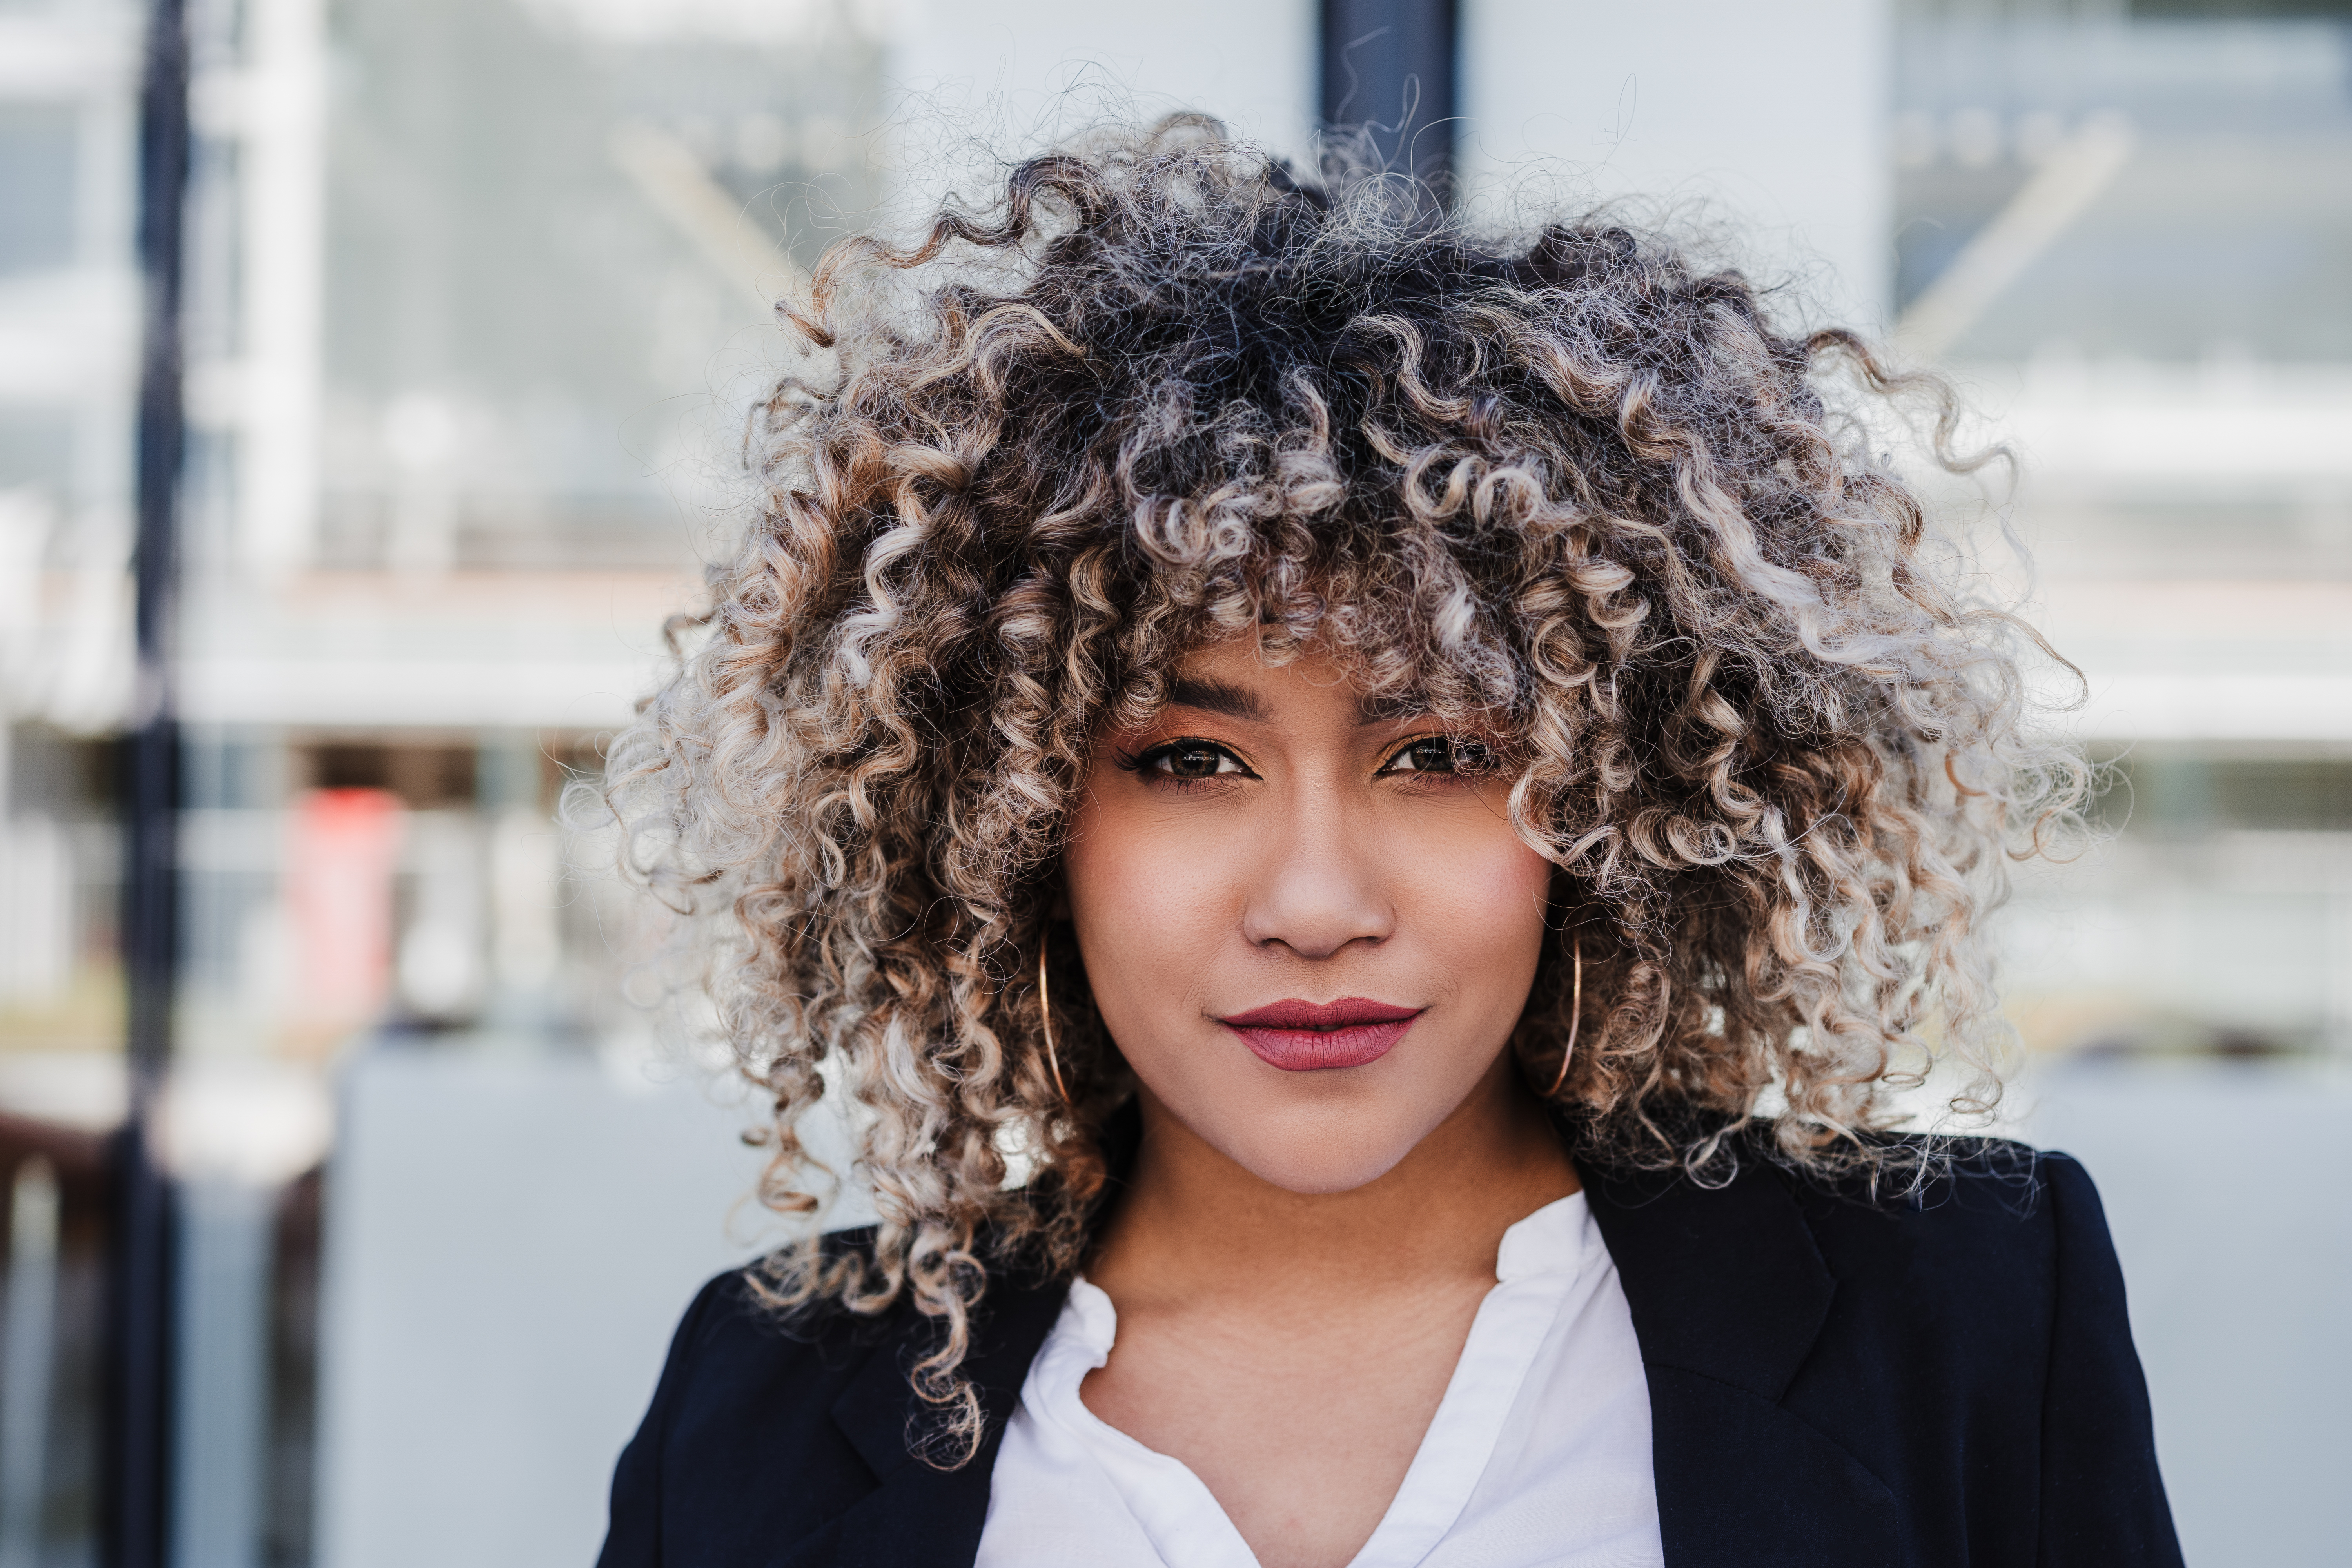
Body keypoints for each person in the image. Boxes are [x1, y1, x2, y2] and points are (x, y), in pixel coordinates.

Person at [593, 123, 2181, 1568]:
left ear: (1611, 790)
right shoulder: (766, 1413)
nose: (1316, 902)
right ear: (1006, 811)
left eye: (1440, 754)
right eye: (1190, 760)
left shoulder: (1967, 1322)